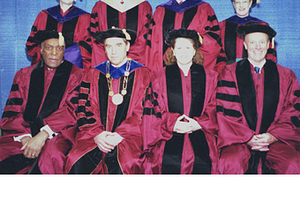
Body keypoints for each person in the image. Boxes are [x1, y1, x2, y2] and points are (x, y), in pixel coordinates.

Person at [216, 23, 300, 174]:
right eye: (253, 42)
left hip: (276, 140)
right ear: (245, 45)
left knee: (293, 164)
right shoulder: (229, 72)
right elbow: (226, 111)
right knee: (230, 163)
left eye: (262, 42)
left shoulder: (286, 75)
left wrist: (273, 135)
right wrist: (248, 137)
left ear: (269, 45)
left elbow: (293, 110)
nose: (258, 47)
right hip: (239, 140)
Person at [65, 28, 150, 174]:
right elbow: (83, 107)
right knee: (74, 159)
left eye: (118, 46)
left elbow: (144, 110)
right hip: (94, 136)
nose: (113, 52)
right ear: (104, 49)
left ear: (127, 46)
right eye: (108, 47)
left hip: (129, 137)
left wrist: (121, 134)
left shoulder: (144, 74)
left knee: (128, 163)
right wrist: (97, 134)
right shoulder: (93, 74)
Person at [0, 30, 85, 174]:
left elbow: (72, 110)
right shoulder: (24, 75)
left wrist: (43, 135)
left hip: (58, 134)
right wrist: (25, 137)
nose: (54, 53)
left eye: (59, 48)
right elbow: (13, 110)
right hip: (23, 132)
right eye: (49, 47)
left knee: (52, 155)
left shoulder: (78, 75)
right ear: (41, 49)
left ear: (64, 51)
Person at [142, 29, 219, 174]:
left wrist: (199, 123)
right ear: (173, 51)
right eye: (179, 48)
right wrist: (173, 124)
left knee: (203, 161)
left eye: (188, 47)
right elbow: (153, 107)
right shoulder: (159, 76)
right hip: (167, 133)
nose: (184, 52)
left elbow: (215, 106)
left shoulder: (211, 77)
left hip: (201, 131)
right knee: (166, 160)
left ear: (195, 51)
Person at [147, 0, 225, 72]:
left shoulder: (204, 9)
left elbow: (214, 40)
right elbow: (153, 46)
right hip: (165, 70)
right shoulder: (160, 11)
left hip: (195, 70)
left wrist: (197, 43)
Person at [90, 0, 152, 67]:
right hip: (107, 60)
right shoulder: (100, 6)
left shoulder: (143, 6)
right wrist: (109, 57)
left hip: (135, 61)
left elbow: (144, 38)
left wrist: (128, 59)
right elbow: (96, 38)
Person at [26, 0, 92, 70]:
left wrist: (70, 51)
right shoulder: (44, 15)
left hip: (73, 69)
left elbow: (90, 46)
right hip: (46, 68)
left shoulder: (85, 18)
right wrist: (48, 51)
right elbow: (32, 44)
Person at [219, 0, 277, 64]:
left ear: (250, 3)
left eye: (245, 2)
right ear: (233, 4)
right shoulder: (222, 26)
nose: (241, 5)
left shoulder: (261, 26)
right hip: (229, 71)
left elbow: (269, 53)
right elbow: (218, 52)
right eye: (238, 2)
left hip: (254, 71)